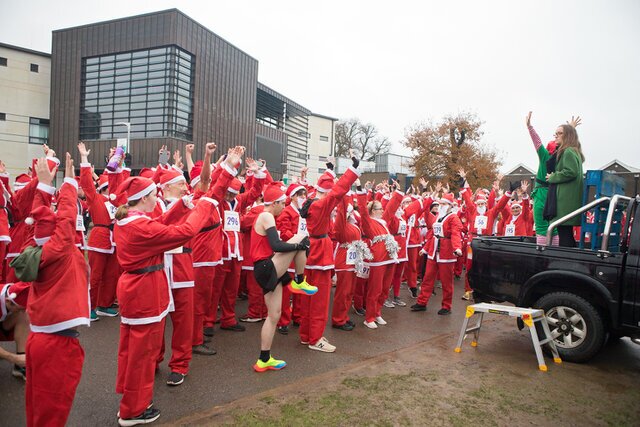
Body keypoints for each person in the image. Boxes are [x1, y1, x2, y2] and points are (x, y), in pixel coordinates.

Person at [113, 172, 218, 426]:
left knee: (132, 352)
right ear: (144, 199)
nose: (157, 197)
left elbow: (160, 222)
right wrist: (203, 206)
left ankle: (132, 400)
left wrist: (182, 205)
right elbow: (185, 232)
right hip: (144, 292)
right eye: (153, 195)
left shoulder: (130, 220)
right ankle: (133, 410)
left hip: (136, 288)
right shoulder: (140, 225)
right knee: (142, 353)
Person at [16, 154, 90, 427]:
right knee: (52, 415)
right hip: (58, 345)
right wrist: (69, 181)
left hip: (39, 340)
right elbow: (68, 217)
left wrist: (46, 186)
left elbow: (36, 221)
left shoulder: (31, 249)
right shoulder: (61, 249)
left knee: (36, 409)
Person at [251, 182, 310, 372]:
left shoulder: (267, 215)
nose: (284, 207)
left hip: (266, 266)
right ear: (274, 202)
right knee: (300, 239)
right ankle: (300, 281)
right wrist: (297, 247)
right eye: (282, 203)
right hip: (265, 266)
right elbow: (277, 245)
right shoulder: (266, 215)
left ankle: (264, 359)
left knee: (274, 316)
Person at [411, 192, 462, 315]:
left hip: (446, 253)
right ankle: (422, 302)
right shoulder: (438, 216)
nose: (441, 205)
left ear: (449, 205)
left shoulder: (453, 217)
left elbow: (456, 233)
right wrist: (426, 248)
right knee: (427, 278)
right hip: (433, 252)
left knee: (446, 281)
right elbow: (433, 235)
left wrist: (457, 247)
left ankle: (446, 306)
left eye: (444, 203)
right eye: (440, 203)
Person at [546, 122, 585, 247]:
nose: (556, 136)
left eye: (560, 133)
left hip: (565, 200)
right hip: (568, 199)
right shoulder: (573, 151)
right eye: (555, 133)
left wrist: (553, 176)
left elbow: (570, 172)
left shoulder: (568, 151)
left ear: (567, 136)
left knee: (565, 234)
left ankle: (568, 262)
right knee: (566, 233)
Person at [0, 281, 29, 380]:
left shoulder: (12, 291)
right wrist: (12, 358)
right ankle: (18, 360)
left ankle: (21, 366)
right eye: (19, 308)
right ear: (8, 301)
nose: (22, 309)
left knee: (24, 315)